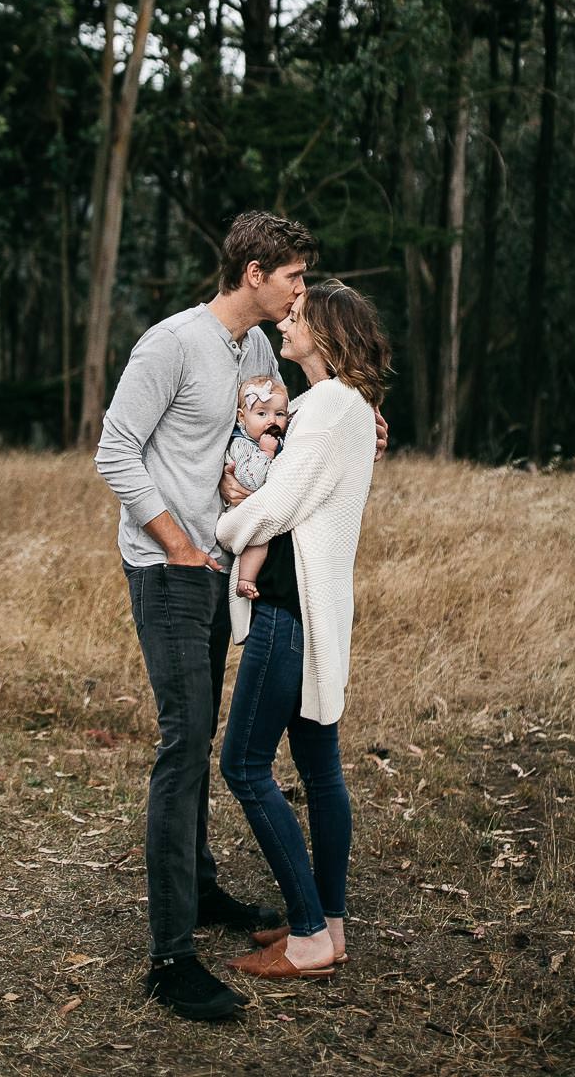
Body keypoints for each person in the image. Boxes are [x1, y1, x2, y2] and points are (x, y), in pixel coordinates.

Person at [94, 211, 317, 1022]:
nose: (301, 291)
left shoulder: (255, 349)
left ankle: (202, 887)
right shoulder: (171, 344)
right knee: (185, 741)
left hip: (220, 568)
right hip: (168, 569)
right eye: (293, 276)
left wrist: (351, 421)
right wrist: (178, 543)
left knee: (199, 729)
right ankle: (170, 958)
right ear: (254, 273)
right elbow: (114, 450)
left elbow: (274, 428)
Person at [215, 279, 392, 981]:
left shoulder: (326, 408)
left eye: (296, 317)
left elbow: (278, 504)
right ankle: (330, 923)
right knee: (320, 772)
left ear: (324, 333)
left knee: (243, 765)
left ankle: (311, 936)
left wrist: (227, 526)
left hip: (288, 612)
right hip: (312, 609)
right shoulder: (346, 406)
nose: (285, 323)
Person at [228, 377, 290, 602]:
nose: (272, 420)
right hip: (244, 510)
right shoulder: (242, 444)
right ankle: (246, 579)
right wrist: (266, 453)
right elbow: (250, 480)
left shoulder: (277, 440)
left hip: (267, 507)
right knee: (258, 539)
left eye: (279, 414)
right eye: (262, 413)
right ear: (242, 417)